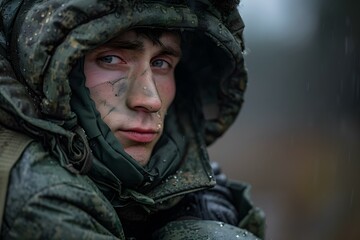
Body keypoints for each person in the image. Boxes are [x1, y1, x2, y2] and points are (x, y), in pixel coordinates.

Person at [0, 0, 265, 239]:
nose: (150, 100)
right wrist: (198, 232)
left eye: (161, 63)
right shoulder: (45, 200)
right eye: (112, 59)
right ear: (55, 75)